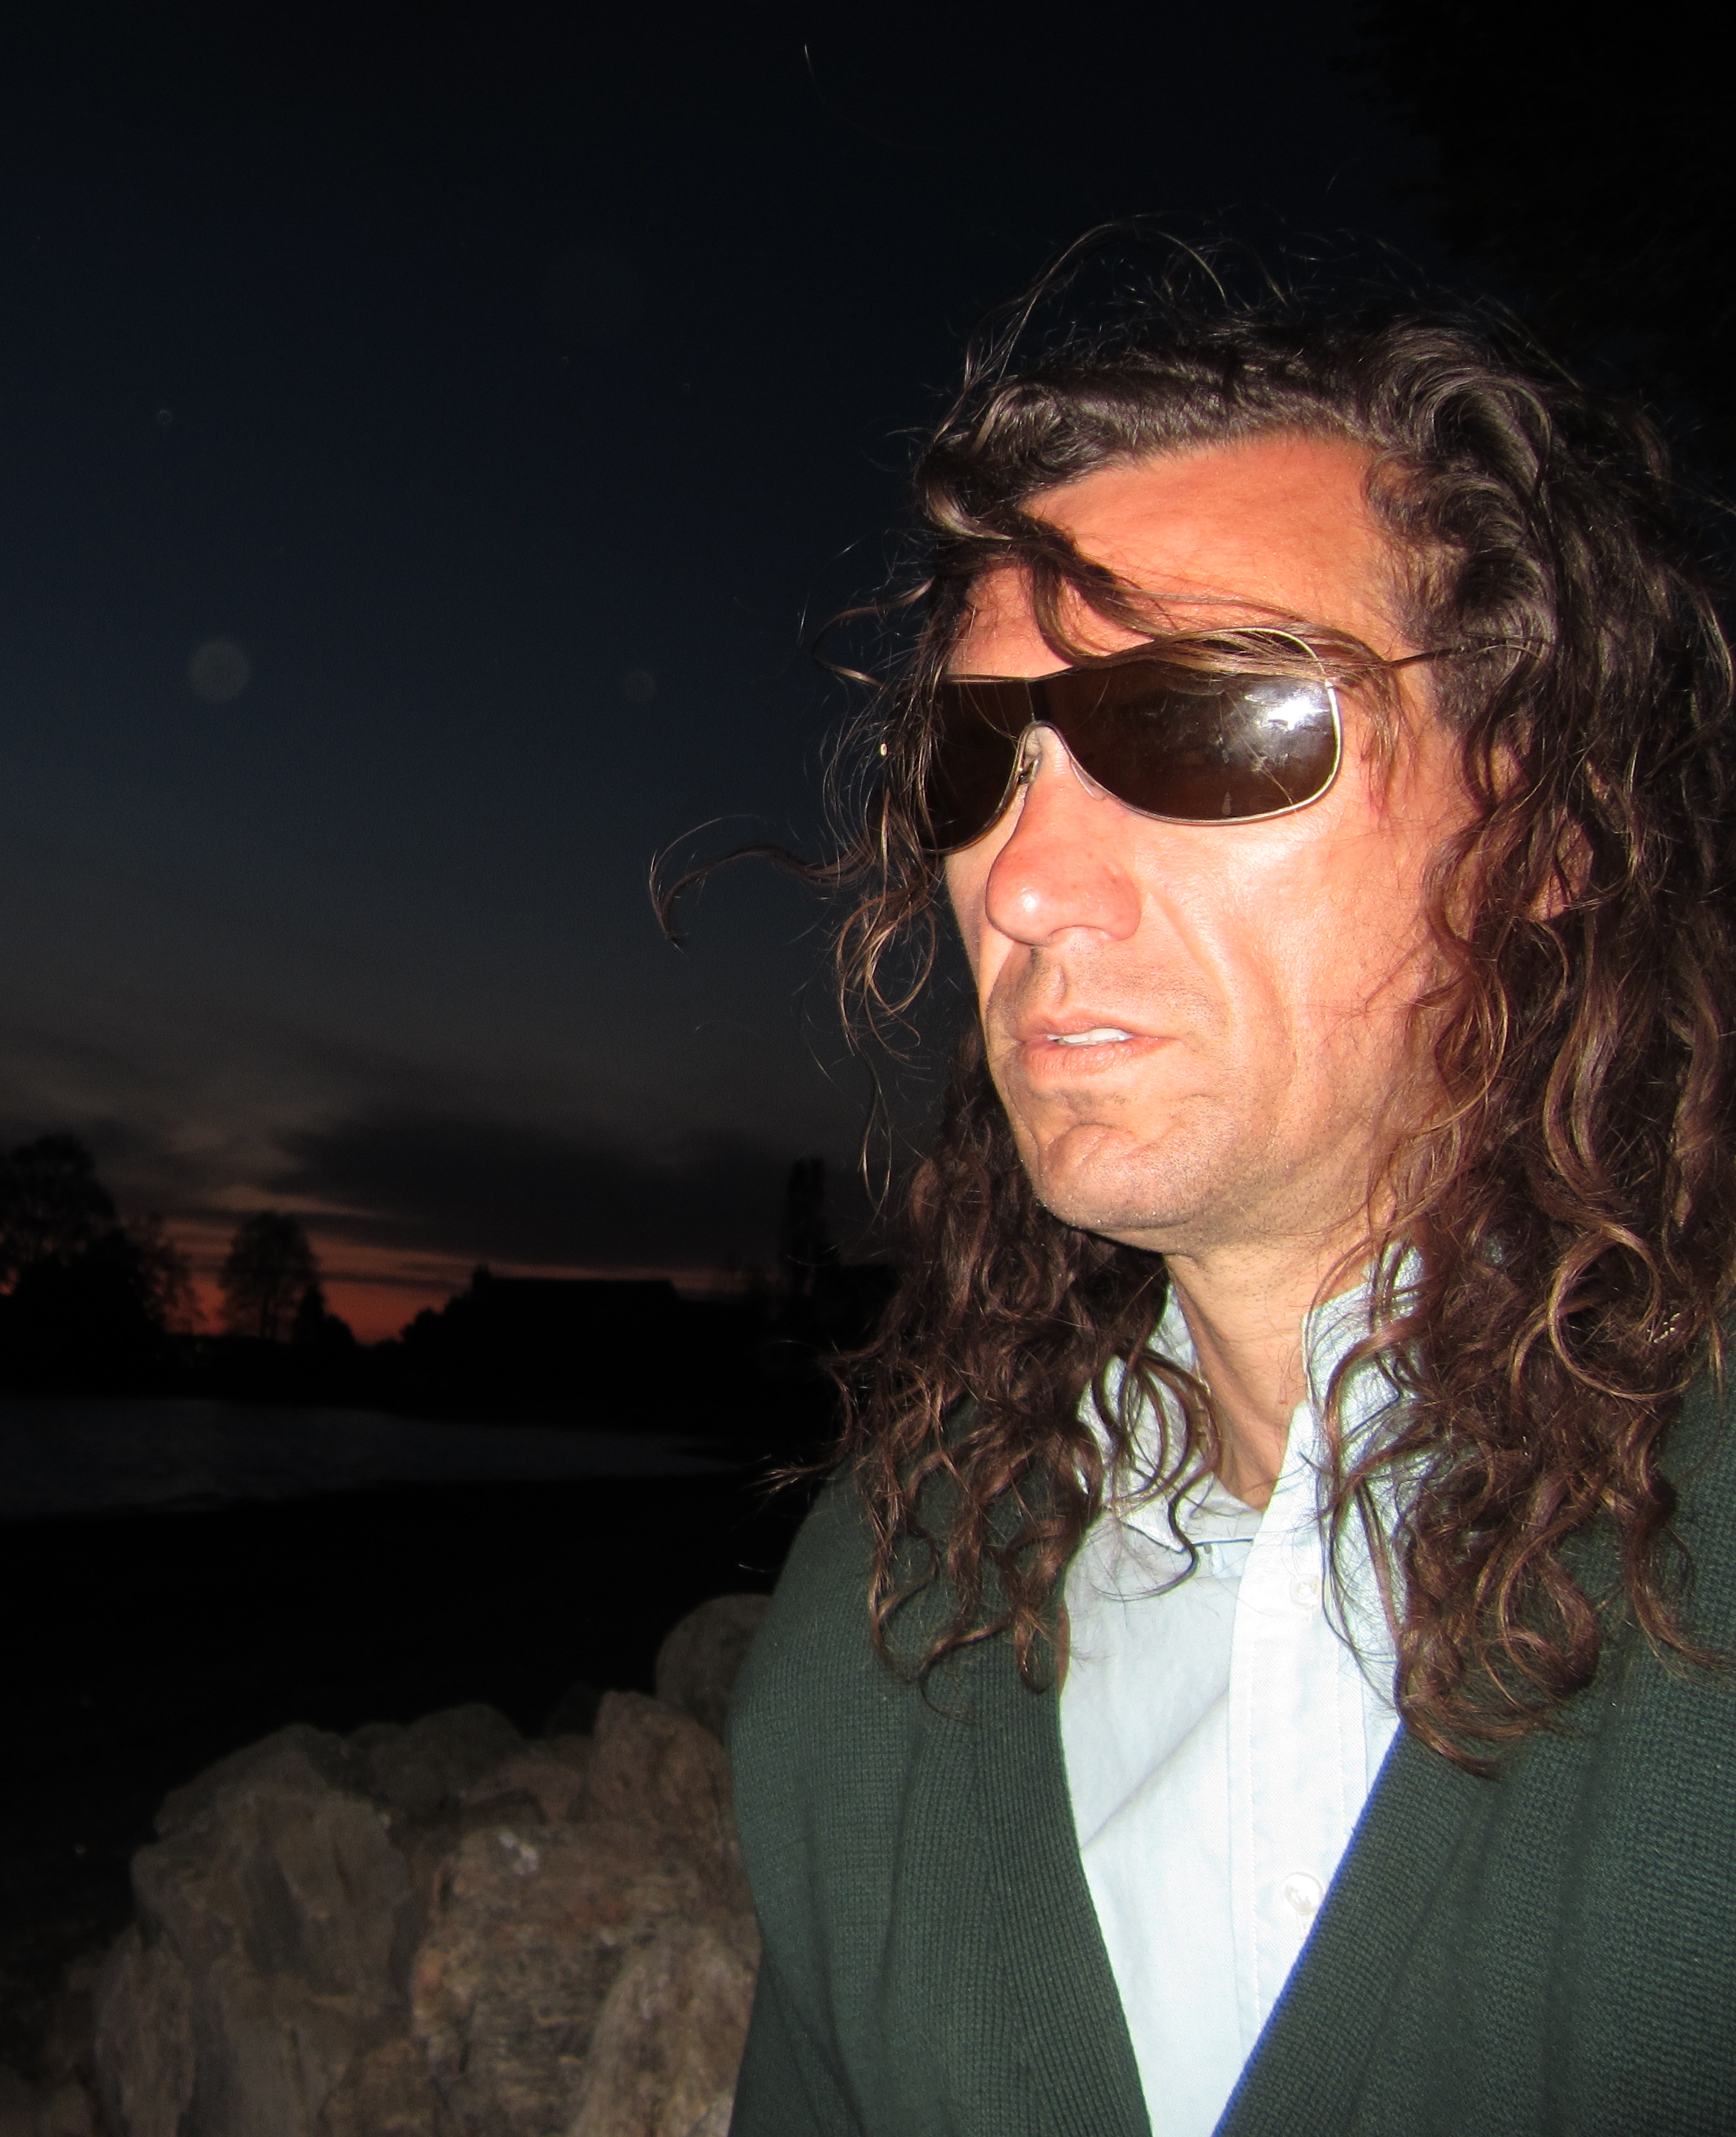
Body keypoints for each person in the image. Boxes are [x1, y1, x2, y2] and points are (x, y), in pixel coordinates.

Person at [722, 271, 1736, 2136]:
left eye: (1206, 725)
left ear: (1549, 829)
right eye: (977, 759)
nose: (1024, 882)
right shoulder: (890, 1622)